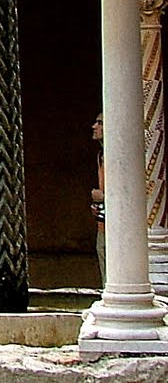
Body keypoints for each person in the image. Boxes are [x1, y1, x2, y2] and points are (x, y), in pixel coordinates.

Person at [91, 113, 105, 286]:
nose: (94, 126)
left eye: (100, 123)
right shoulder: (101, 155)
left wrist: (105, 198)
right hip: (103, 223)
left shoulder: (122, 156)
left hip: (120, 230)